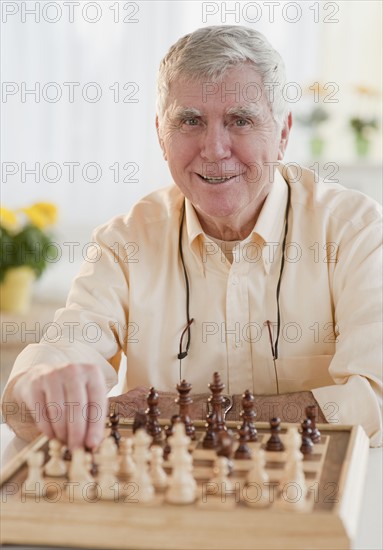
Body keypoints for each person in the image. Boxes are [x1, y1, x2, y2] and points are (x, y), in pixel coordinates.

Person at [2, 26, 382, 449]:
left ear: (283, 134)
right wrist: (37, 383)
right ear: (160, 135)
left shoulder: (355, 230)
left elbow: (374, 401)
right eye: (190, 121)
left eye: (240, 120)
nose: (214, 149)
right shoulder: (122, 242)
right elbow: (41, 385)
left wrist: (177, 412)